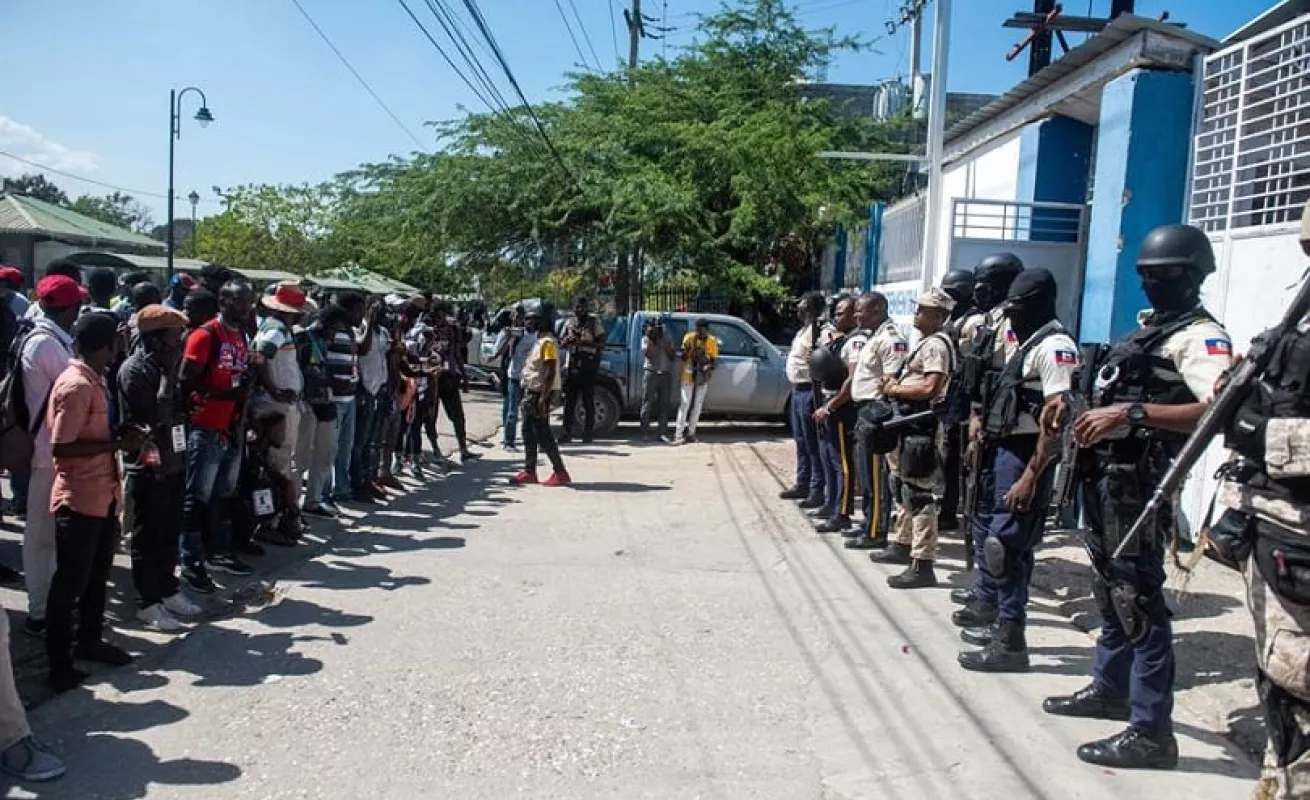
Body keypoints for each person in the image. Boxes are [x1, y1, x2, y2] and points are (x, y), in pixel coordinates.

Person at [1042, 224, 1234, 770]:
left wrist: (1133, 413)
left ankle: (1152, 732)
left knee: (1138, 600)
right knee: (1110, 590)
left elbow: (1220, 410)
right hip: (1106, 480)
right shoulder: (1148, 331)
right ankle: (1111, 687)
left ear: (1193, 276)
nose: (1152, 283)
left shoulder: (1200, 338)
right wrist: (1073, 404)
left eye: (1164, 274)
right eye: (1146, 274)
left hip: (1142, 483)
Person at [1218, 210, 1310, 799]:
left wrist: (1262, 433)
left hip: (1299, 534)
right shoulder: (1293, 322)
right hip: (1274, 525)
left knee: (1298, 685)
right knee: (1280, 680)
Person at [957, 268, 1077, 673]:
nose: (1011, 316)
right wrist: (978, 430)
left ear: (1041, 304)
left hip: (1027, 454)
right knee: (991, 536)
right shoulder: (1022, 343)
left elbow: (1057, 421)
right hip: (999, 447)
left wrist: (1031, 475)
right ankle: (999, 622)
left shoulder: (1055, 347)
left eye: (1018, 308)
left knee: (1006, 546)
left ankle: (1011, 641)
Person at [45, 312, 140, 691]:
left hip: (103, 494)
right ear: (106, 343)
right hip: (80, 497)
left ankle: (90, 640)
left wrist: (120, 434)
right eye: (117, 339)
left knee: (97, 576)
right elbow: (61, 447)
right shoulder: (76, 386)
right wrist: (116, 444)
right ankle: (58, 666)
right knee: (69, 584)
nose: (121, 345)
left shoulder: (96, 379)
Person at [118, 305, 203, 632]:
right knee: (148, 536)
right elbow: (156, 417)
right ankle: (148, 602)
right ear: (154, 340)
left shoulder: (170, 364)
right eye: (173, 337)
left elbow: (177, 413)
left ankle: (168, 588)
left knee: (170, 530)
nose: (179, 344)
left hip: (174, 460)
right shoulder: (135, 370)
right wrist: (168, 376)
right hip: (149, 464)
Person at [870, 288, 956, 589]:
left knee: (920, 494)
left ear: (939, 316)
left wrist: (895, 389)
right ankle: (902, 543)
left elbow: (931, 387)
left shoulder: (937, 345)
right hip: (909, 423)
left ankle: (923, 563)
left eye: (923, 310)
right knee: (902, 487)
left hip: (923, 425)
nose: (916, 314)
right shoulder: (925, 342)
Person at [953, 254, 1024, 613]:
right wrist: (975, 419)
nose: (977, 290)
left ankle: (998, 606)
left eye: (985, 283)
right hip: (985, 429)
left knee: (1001, 526)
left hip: (1011, 434)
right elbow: (981, 380)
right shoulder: (988, 323)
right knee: (979, 515)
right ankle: (984, 591)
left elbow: (1010, 382)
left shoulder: (1016, 325)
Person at [179, 279, 255, 594]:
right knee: (196, 496)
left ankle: (219, 552)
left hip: (230, 427)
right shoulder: (205, 335)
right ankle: (190, 561)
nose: (246, 306)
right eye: (240, 300)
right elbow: (186, 380)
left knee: (223, 494)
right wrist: (225, 396)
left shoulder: (240, 335)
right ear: (223, 302)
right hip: (204, 426)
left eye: (249, 300)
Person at [19, 275, 81, 636]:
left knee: (53, 535)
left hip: (54, 451)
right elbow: (74, 390)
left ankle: (53, 606)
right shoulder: (46, 344)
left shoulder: (51, 338)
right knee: (41, 535)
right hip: (47, 452)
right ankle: (40, 611)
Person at [844, 292, 908, 550]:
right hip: (864, 411)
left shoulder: (891, 338)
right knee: (866, 475)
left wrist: (876, 414)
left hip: (877, 413)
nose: (856, 315)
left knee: (876, 477)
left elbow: (891, 381)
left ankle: (875, 532)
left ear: (878, 309)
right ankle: (868, 523)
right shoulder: (874, 336)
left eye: (861, 310)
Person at [251, 282, 311, 539]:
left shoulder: (274, 326)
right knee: (279, 463)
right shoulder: (277, 329)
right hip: (276, 405)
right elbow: (260, 357)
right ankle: (274, 521)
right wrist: (274, 390)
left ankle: (277, 517)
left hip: (277, 402)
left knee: (277, 462)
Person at [810, 297, 863, 533]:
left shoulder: (856, 341)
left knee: (843, 463)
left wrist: (830, 407)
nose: (836, 317)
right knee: (829, 458)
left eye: (842, 313)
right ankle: (831, 504)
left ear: (853, 315)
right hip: (830, 402)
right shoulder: (840, 339)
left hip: (842, 408)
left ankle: (842, 513)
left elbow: (851, 381)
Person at [296, 306, 350, 517]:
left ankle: (313, 501)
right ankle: (292, 507)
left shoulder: (324, 341)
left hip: (325, 403)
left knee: (325, 454)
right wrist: (331, 381)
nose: (334, 335)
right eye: (333, 329)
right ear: (323, 322)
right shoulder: (303, 338)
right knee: (300, 458)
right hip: (306, 404)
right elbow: (302, 372)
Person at [780, 293, 829, 509]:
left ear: (813, 309)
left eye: (804, 308)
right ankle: (802, 483)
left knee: (812, 442)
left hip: (811, 389)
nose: (799, 311)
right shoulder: (803, 330)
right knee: (800, 440)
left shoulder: (821, 331)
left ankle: (817, 489)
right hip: (797, 389)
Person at [512, 304, 570, 486]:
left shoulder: (548, 343)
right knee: (529, 432)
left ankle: (559, 472)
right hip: (533, 393)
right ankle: (531, 471)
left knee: (542, 434)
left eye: (532, 319)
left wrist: (544, 398)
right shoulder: (540, 341)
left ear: (543, 321)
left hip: (539, 394)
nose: (528, 322)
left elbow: (550, 371)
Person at [939, 268, 977, 531]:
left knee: (959, 456)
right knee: (948, 456)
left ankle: (955, 510)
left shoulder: (974, 322)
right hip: (951, 394)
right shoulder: (954, 319)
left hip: (964, 397)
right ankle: (948, 508)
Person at [324, 292, 363, 506]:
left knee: (345, 449)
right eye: (358, 311)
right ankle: (324, 493)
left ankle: (341, 487)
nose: (361, 316)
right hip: (335, 398)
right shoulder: (332, 332)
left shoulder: (352, 333)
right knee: (329, 449)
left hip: (350, 398)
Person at [352, 297, 389, 501]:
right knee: (361, 441)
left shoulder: (383, 332)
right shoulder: (360, 329)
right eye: (377, 310)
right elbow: (363, 349)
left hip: (379, 388)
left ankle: (369, 479)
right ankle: (357, 483)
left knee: (373, 440)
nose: (381, 315)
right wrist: (368, 321)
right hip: (364, 388)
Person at [430, 301, 478, 462]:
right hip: (432, 378)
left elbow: (457, 353)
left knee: (458, 416)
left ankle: (463, 450)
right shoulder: (428, 330)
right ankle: (435, 450)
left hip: (449, 377)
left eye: (443, 315)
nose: (441, 319)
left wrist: (464, 376)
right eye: (438, 316)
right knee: (431, 417)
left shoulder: (452, 330)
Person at [559, 296, 606, 443]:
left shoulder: (593, 322)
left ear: (586, 308)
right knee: (569, 402)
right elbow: (561, 343)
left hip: (588, 366)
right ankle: (566, 433)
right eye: (577, 307)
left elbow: (601, 344)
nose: (579, 310)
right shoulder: (569, 323)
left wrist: (583, 342)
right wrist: (567, 341)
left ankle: (588, 433)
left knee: (588, 401)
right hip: (573, 365)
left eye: (582, 307)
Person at [494, 305, 536, 449]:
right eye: (526, 319)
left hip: (528, 377)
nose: (527, 322)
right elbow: (504, 351)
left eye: (526, 318)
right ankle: (508, 440)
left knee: (527, 410)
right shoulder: (513, 333)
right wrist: (510, 337)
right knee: (511, 409)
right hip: (513, 374)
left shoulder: (535, 336)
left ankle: (527, 437)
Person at [675, 319, 718, 444]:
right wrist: (687, 350)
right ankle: (678, 434)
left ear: (707, 330)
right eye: (697, 330)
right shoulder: (689, 337)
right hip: (688, 376)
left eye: (701, 330)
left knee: (697, 406)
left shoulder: (711, 341)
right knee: (685, 404)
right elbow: (683, 358)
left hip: (702, 376)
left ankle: (691, 433)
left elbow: (714, 361)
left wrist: (708, 366)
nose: (698, 333)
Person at [638, 316, 676, 442]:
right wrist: (652, 340)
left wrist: (665, 343)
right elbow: (648, 355)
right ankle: (644, 431)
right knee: (647, 402)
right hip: (651, 372)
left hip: (665, 373)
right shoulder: (646, 338)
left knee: (664, 404)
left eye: (659, 326)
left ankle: (662, 432)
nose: (658, 328)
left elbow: (672, 356)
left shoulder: (667, 337)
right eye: (655, 326)